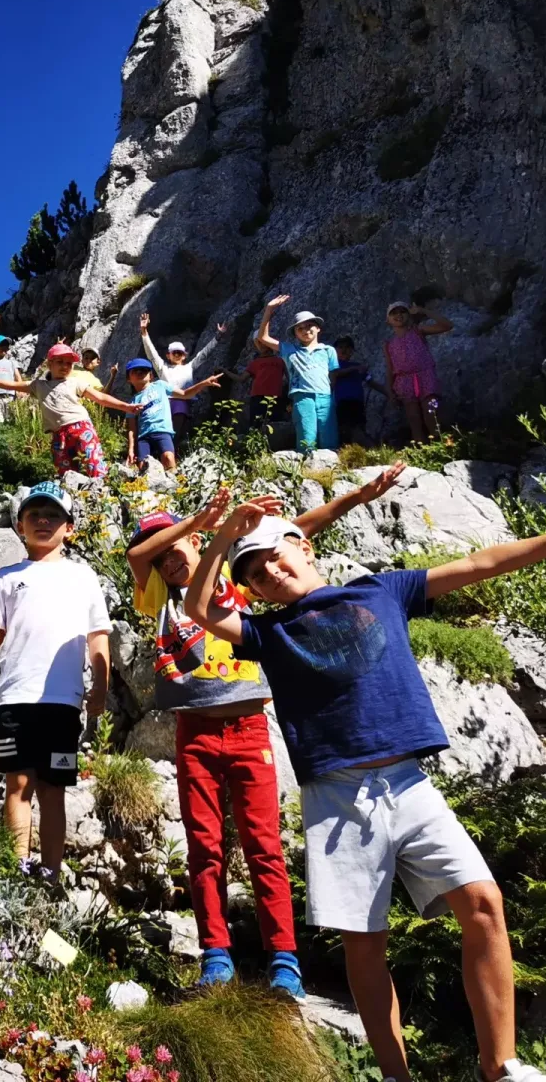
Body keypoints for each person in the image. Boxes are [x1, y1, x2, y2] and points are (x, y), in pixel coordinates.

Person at [185, 498, 546, 1082]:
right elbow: (198, 606)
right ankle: (397, 1078)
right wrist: (227, 532)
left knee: (483, 904)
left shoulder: (382, 591)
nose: (270, 574)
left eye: (274, 558)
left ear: (304, 546)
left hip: (408, 781)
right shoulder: (266, 632)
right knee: (365, 945)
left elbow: (484, 562)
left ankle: (500, 1066)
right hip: (336, 799)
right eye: (255, 575)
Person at [125, 463, 405, 995]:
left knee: (264, 845)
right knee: (203, 846)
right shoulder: (158, 594)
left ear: (201, 543)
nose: (168, 556)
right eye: (162, 550)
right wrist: (193, 527)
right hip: (195, 733)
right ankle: (216, 955)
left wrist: (354, 497)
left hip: (250, 727)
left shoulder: (232, 578)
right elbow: (136, 556)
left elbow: (301, 528)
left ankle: (283, 960)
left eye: (176, 546)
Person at [0, 482, 109, 876]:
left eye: (53, 516)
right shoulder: (7, 577)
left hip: (63, 701)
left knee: (53, 789)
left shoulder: (83, 577)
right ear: (19, 525)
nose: (44, 522)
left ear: (69, 526)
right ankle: (18, 867)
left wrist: (99, 686)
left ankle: (50, 872)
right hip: (15, 697)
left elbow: (98, 635)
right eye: (35, 515)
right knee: (18, 784)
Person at [0, 343, 140, 478]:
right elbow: (14, 385)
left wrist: (125, 406)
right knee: (66, 473)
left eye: (69, 363)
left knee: (94, 463)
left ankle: (104, 489)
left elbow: (101, 398)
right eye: (60, 362)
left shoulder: (74, 382)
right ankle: (73, 498)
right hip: (58, 435)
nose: (65, 366)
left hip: (81, 428)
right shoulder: (38, 385)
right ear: (50, 364)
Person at [255, 294, 338, 453]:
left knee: (330, 438)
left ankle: (330, 473)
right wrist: (269, 310)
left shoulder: (329, 350)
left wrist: (331, 396)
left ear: (318, 328)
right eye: (300, 328)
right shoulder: (290, 350)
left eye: (309, 326)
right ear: (295, 334)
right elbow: (262, 337)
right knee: (307, 437)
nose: (305, 330)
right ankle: (307, 471)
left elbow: (333, 377)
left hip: (325, 397)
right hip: (302, 397)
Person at [138, 309, 228, 440]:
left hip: (183, 402)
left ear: (184, 356)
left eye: (179, 353)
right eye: (174, 353)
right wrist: (144, 331)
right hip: (165, 403)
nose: (176, 355)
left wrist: (218, 336)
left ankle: (172, 450)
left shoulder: (189, 367)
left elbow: (204, 354)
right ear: (168, 355)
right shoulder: (163, 368)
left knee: (177, 430)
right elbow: (151, 353)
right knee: (166, 431)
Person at [123, 356, 221, 472]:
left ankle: (175, 485)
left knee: (168, 457)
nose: (140, 373)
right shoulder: (132, 401)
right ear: (129, 379)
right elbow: (132, 428)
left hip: (162, 431)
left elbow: (184, 394)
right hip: (143, 437)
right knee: (143, 466)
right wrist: (131, 449)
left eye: (144, 370)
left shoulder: (160, 385)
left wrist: (203, 383)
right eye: (135, 371)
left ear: (151, 375)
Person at [383, 301, 453, 441]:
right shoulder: (388, 344)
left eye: (402, 311)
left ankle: (441, 449)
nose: (398, 315)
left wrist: (423, 310)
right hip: (404, 382)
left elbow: (447, 325)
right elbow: (390, 368)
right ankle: (421, 453)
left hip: (426, 377)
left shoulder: (418, 331)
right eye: (394, 313)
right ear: (388, 320)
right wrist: (390, 392)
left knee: (432, 414)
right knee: (414, 420)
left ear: (409, 315)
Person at [332, 336, 381, 446]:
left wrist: (390, 394)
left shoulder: (357, 366)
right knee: (345, 429)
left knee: (359, 427)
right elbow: (337, 373)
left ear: (352, 351)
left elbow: (370, 381)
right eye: (340, 347)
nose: (344, 350)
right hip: (342, 403)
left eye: (348, 347)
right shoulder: (334, 365)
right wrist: (354, 369)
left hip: (357, 403)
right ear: (335, 350)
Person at [0, 336, 20, 424]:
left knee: (10, 419)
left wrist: (21, 391)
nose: (4, 347)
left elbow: (17, 377)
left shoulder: (12, 363)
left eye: (6, 345)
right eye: (1, 345)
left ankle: (9, 436)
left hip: (10, 395)